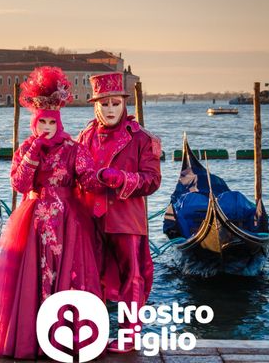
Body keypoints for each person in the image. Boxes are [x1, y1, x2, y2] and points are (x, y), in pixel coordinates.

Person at [0, 66, 106, 359]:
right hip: (34, 221)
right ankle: (31, 340)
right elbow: (18, 183)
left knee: (67, 275)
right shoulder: (26, 148)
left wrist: (107, 177)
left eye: (52, 121)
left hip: (67, 222)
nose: (48, 127)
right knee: (33, 278)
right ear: (35, 123)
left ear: (59, 121)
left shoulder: (73, 149)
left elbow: (88, 180)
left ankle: (65, 340)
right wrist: (34, 153)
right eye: (43, 122)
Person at [78, 72, 162, 353]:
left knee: (132, 278)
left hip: (126, 220)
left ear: (124, 104)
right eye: (105, 104)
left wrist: (122, 178)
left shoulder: (141, 139)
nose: (110, 109)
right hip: (91, 219)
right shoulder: (85, 137)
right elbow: (79, 175)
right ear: (96, 106)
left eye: (115, 103)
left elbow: (152, 180)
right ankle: (94, 336)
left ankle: (129, 338)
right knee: (91, 278)